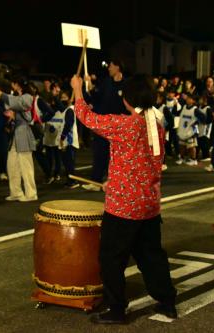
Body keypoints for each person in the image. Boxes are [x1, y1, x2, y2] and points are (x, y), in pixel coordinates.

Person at [71, 74, 177, 325]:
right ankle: (167, 301)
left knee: (111, 258)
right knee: (152, 256)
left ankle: (117, 309)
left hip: (124, 206)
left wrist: (78, 90)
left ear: (129, 100)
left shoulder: (126, 125)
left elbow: (88, 118)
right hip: (149, 204)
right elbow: (142, 162)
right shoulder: (156, 124)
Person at [0, 82, 38, 202]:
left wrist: (1, 94)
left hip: (23, 132)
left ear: (18, 84)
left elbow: (19, 104)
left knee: (26, 166)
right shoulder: (17, 97)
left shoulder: (27, 96)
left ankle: (31, 194)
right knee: (12, 165)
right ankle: (16, 192)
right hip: (15, 134)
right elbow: (11, 105)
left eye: (14, 84)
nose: (12, 86)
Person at [83, 57, 128, 192]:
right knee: (99, 153)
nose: (109, 68)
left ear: (118, 67)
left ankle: (113, 182)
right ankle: (96, 181)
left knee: (116, 156)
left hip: (119, 126)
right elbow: (96, 97)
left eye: (111, 66)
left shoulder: (126, 85)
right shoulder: (106, 82)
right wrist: (89, 86)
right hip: (103, 124)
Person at [176, 94, 205, 166]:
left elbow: (204, 117)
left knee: (191, 146)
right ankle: (182, 158)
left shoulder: (195, 109)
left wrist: (196, 122)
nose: (188, 100)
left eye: (190, 99)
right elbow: (177, 113)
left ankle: (193, 159)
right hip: (183, 130)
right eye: (187, 98)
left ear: (193, 101)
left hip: (191, 131)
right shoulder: (184, 107)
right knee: (181, 145)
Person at [58, 91, 80, 189]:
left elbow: (68, 124)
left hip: (69, 141)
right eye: (61, 98)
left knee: (69, 162)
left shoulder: (70, 110)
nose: (63, 99)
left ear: (69, 99)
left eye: (65, 97)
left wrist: (62, 137)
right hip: (67, 140)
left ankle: (73, 181)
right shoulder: (67, 110)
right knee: (67, 162)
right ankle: (69, 180)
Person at [197, 94, 214, 161]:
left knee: (205, 141)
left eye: (201, 99)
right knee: (200, 140)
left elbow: (211, 118)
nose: (199, 100)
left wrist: (205, 122)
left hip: (206, 127)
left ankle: (206, 156)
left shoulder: (208, 108)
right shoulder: (199, 107)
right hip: (200, 126)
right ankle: (201, 155)